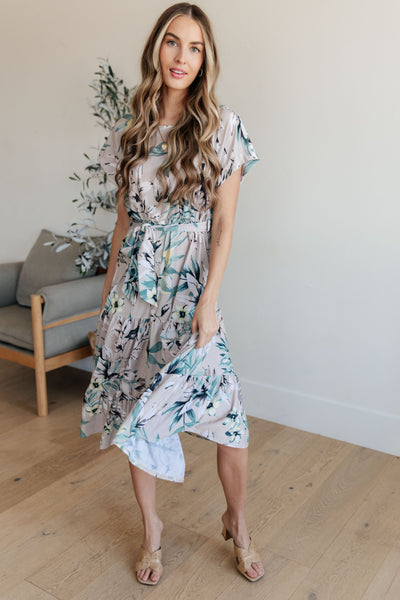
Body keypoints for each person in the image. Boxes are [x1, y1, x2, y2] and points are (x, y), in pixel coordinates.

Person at [80, 1, 264, 586]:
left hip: (190, 290)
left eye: (195, 47)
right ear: (155, 48)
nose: (181, 57)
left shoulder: (222, 127)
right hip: (133, 294)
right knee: (138, 412)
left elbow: (225, 222)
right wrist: (105, 306)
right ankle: (152, 530)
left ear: (206, 59)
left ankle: (238, 521)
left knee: (228, 417)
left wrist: (210, 299)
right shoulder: (130, 131)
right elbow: (122, 225)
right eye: (172, 42)